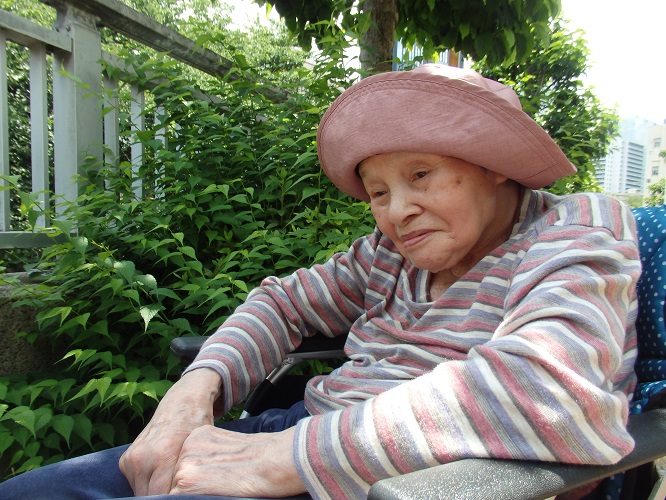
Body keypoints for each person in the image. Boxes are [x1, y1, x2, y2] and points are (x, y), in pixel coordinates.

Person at [0, 64, 641, 500]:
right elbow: (281, 302)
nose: (397, 212)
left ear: (494, 165)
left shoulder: (574, 230)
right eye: (379, 192)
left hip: (422, 479)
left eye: (420, 175)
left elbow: (551, 391)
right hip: (302, 436)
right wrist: (193, 393)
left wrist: (286, 460)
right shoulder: (387, 254)